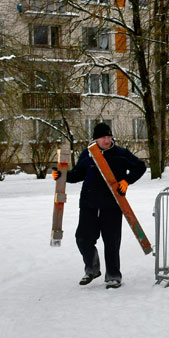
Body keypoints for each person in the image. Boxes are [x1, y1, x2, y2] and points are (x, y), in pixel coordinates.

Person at [54, 122, 146, 288]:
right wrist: (62, 175)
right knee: (82, 238)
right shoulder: (88, 154)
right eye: (103, 137)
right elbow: (77, 175)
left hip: (112, 205)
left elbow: (140, 167)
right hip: (89, 204)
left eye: (109, 136)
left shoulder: (120, 154)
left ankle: (113, 275)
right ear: (95, 139)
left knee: (111, 241)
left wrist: (126, 181)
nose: (107, 139)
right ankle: (92, 269)